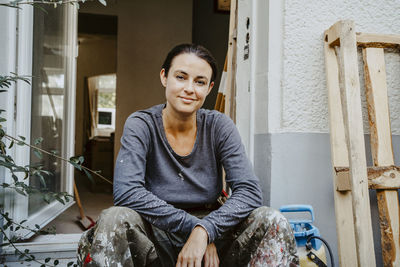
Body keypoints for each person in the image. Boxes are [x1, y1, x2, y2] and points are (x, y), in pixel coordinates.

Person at [77, 44, 299, 267]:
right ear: (164, 77)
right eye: (181, 77)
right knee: (115, 218)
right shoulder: (141, 124)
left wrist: (207, 229)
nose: (189, 88)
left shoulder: (218, 126)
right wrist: (194, 228)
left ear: (210, 87)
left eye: (200, 82)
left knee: (271, 218)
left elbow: (249, 191)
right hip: (157, 231)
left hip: (214, 230)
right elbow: (127, 192)